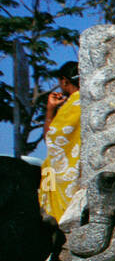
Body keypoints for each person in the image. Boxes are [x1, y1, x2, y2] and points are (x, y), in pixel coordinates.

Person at [39, 61, 81, 221]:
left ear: (64, 81)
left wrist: (50, 110)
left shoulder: (73, 105)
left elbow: (50, 139)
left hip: (61, 176)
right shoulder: (83, 102)